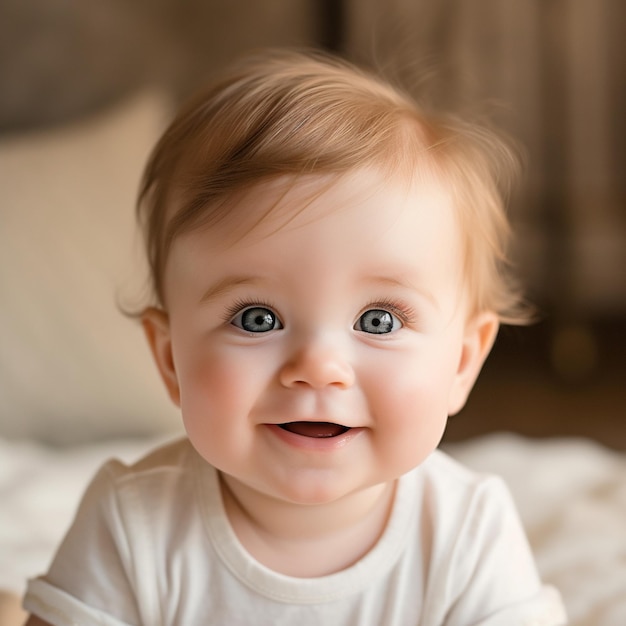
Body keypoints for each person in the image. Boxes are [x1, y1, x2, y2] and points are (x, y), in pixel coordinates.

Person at [23, 49, 567, 625]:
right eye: (257, 318)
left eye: (378, 321)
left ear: (461, 363)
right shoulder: (133, 523)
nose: (319, 366)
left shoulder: (466, 532)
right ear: (170, 360)